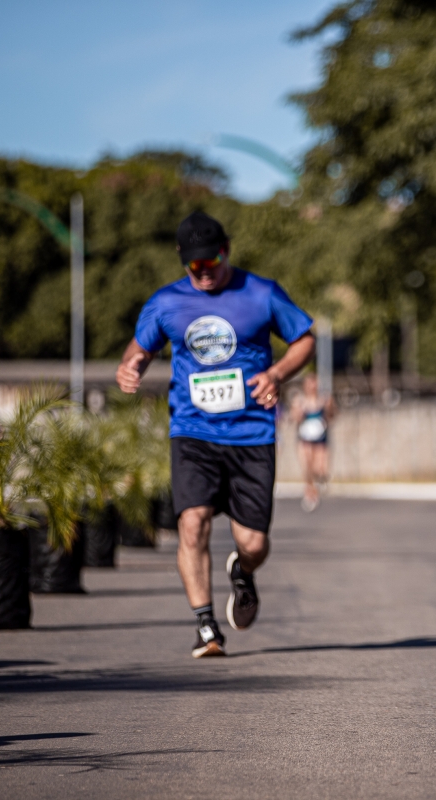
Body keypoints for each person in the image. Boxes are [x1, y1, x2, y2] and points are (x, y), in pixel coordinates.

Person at [116, 211, 315, 658]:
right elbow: (140, 348)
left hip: (251, 434)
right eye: (194, 265)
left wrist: (277, 373)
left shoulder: (260, 292)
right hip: (193, 431)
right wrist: (131, 366)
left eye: (211, 262)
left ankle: (243, 572)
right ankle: (206, 626)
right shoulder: (167, 302)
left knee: (254, 543)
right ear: (183, 260)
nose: (204, 272)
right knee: (192, 522)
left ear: (225, 252)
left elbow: (304, 339)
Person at [291, 372, 336, 511]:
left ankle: (317, 485)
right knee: (307, 467)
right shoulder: (299, 400)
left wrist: (329, 408)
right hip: (305, 439)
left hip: (320, 438)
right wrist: (299, 413)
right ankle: (310, 492)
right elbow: (294, 418)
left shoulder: (324, 400)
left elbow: (332, 415)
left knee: (320, 469)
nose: (312, 386)